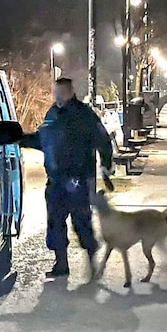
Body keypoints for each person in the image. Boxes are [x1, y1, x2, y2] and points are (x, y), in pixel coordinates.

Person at [21, 78, 114, 278]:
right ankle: (61, 263)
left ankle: (91, 256)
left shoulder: (84, 114)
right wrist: (20, 139)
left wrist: (106, 166)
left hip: (78, 180)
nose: (57, 95)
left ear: (71, 91)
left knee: (81, 221)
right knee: (55, 221)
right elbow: (42, 139)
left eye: (61, 91)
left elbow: (103, 141)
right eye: (55, 91)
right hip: (55, 179)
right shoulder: (52, 113)